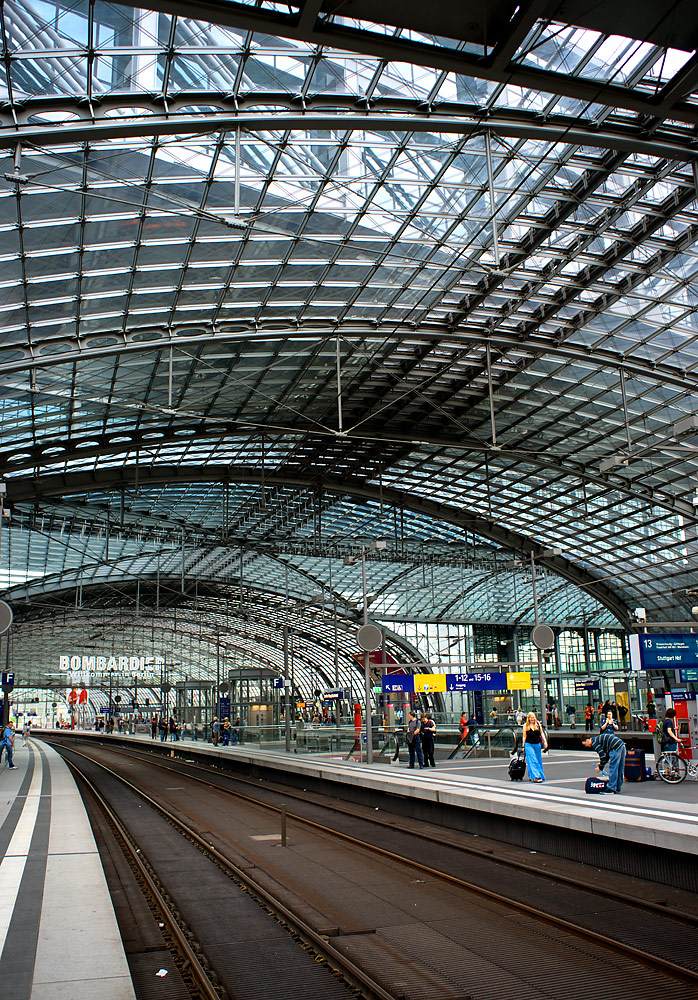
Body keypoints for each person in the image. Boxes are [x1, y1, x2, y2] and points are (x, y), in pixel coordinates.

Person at [522, 712, 547, 781]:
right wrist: (523, 746)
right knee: (533, 759)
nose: (532, 719)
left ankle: (532, 775)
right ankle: (536, 776)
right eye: (530, 717)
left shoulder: (538, 725)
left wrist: (545, 742)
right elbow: (524, 736)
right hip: (528, 744)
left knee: (538, 760)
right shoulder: (526, 726)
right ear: (528, 718)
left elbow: (541, 733)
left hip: (537, 744)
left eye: (533, 717)